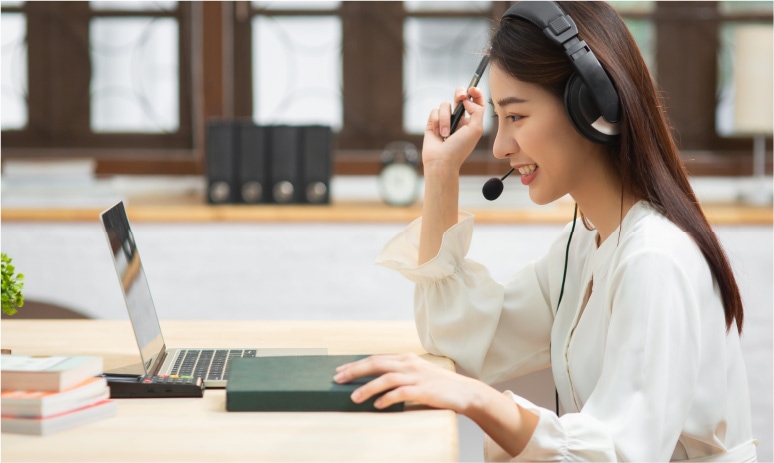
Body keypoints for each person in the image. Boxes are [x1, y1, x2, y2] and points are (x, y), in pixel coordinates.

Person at [334, 1, 757, 461]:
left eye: (516, 116)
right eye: (499, 119)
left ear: (592, 105)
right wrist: (440, 173)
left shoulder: (654, 259)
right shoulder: (583, 247)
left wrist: (478, 400)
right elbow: (462, 336)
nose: (499, 146)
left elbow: (620, 453)